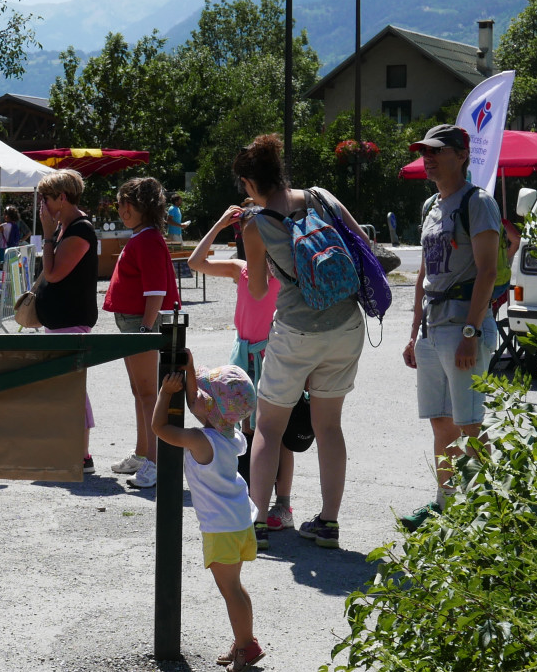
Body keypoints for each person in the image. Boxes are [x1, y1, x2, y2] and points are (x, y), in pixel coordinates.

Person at [236, 134, 369, 550]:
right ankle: (328, 523)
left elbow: (257, 290)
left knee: (269, 426)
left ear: (250, 183)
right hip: (347, 323)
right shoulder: (321, 196)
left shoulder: (256, 225)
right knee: (329, 426)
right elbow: (363, 245)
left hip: (296, 331)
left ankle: (257, 523)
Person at [399, 124, 503, 531]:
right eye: (425, 151)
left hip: (462, 326)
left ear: (461, 155)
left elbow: (489, 271)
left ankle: (495, 505)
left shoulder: (477, 203)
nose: (428, 157)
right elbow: (425, 272)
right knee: (441, 421)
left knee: (470, 425)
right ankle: (446, 504)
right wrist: (412, 332)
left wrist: (470, 333)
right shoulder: (430, 207)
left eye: (437, 151)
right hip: (431, 329)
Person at [150, 352, 264, 672]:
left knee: (230, 591)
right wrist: (188, 370)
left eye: (201, 395)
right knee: (236, 587)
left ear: (211, 409)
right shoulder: (229, 433)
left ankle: (247, 646)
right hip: (239, 521)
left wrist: (164, 394)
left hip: (222, 529)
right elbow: (198, 404)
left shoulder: (200, 440)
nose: (193, 396)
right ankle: (244, 640)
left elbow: (159, 428)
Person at [189, 206, 296, 530]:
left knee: (279, 434)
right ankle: (253, 502)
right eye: (245, 234)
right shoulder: (241, 270)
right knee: (246, 430)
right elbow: (196, 262)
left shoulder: (283, 273)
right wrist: (219, 223)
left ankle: (283, 504)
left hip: (273, 354)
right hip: (243, 357)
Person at [103, 176, 180, 490]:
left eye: (127, 202)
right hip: (133, 323)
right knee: (141, 393)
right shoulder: (143, 236)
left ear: (144, 206)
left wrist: (147, 330)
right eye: (121, 202)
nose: (121, 208)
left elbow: (156, 292)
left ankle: (154, 463)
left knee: (149, 394)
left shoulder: (147, 239)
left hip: (140, 324)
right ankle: (142, 453)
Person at [33, 168, 99, 472]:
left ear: (62, 197)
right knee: (63, 385)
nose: (41, 206)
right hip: (60, 321)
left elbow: (54, 273)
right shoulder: (67, 226)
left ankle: (81, 455)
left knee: (71, 385)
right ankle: (72, 450)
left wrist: (47, 234)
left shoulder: (80, 229)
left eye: (45, 199)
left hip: (71, 321)